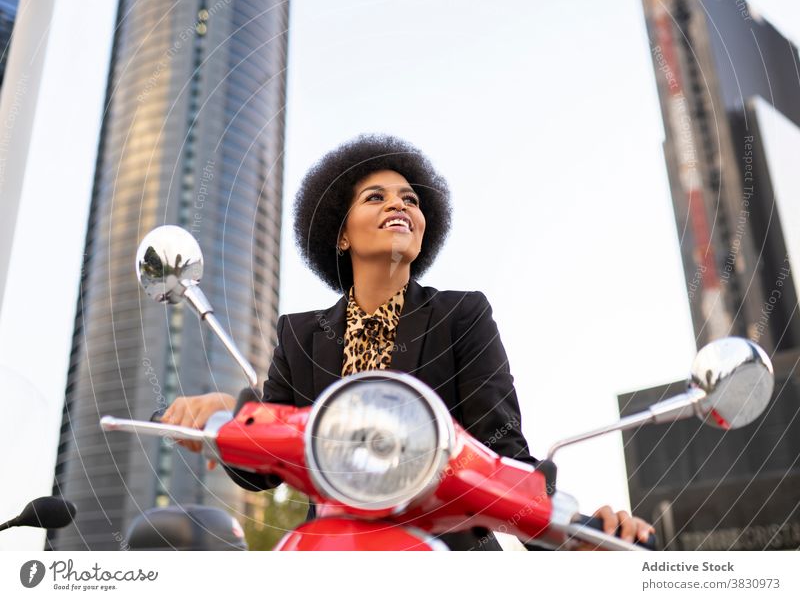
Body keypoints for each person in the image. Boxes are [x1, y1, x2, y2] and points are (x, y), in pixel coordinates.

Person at [162, 133, 655, 550]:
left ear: (424, 227)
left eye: (411, 200)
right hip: (332, 556)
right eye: (375, 197)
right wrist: (227, 419)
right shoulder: (300, 335)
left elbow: (503, 450)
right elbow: (266, 466)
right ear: (341, 235)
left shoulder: (462, 314)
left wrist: (580, 534)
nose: (399, 204)